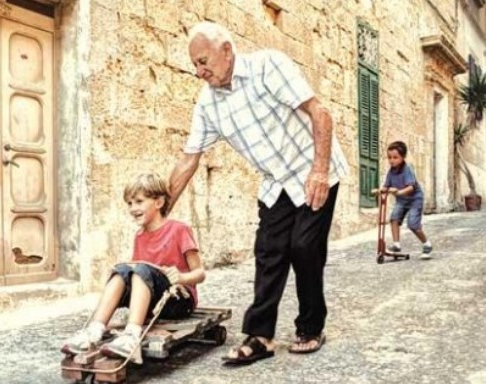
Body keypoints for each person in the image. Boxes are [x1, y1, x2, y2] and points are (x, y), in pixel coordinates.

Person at [167, 21, 349, 365]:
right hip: (276, 180)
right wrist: (161, 212)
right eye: (194, 64)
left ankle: (311, 327)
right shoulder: (208, 104)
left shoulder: (268, 66)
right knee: (268, 250)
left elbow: (320, 113)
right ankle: (261, 336)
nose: (198, 71)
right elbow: (189, 158)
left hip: (313, 167)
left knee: (305, 246)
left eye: (203, 61)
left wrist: (320, 171)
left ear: (226, 50)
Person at [61, 173, 205, 364]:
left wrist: (181, 277)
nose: (132, 208)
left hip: (177, 301)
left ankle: (131, 336)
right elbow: (136, 275)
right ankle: (94, 330)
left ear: (159, 202)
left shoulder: (179, 229)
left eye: (139, 201)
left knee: (140, 270)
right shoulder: (139, 236)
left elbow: (200, 273)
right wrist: (120, 277)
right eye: (129, 203)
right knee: (122, 270)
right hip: (152, 302)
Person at [380, 141, 433, 259]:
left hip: (415, 199)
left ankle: (427, 244)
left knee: (413, 224)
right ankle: (396, 245)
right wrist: (382, 190)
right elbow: (386, 185)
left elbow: (411, 187)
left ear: (402, 157)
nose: (391, 160)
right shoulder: (391, 171)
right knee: (394, 219)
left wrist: (398, 192)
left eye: (395, 157)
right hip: (402, 200)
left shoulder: (407, 169)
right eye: (389, 157)